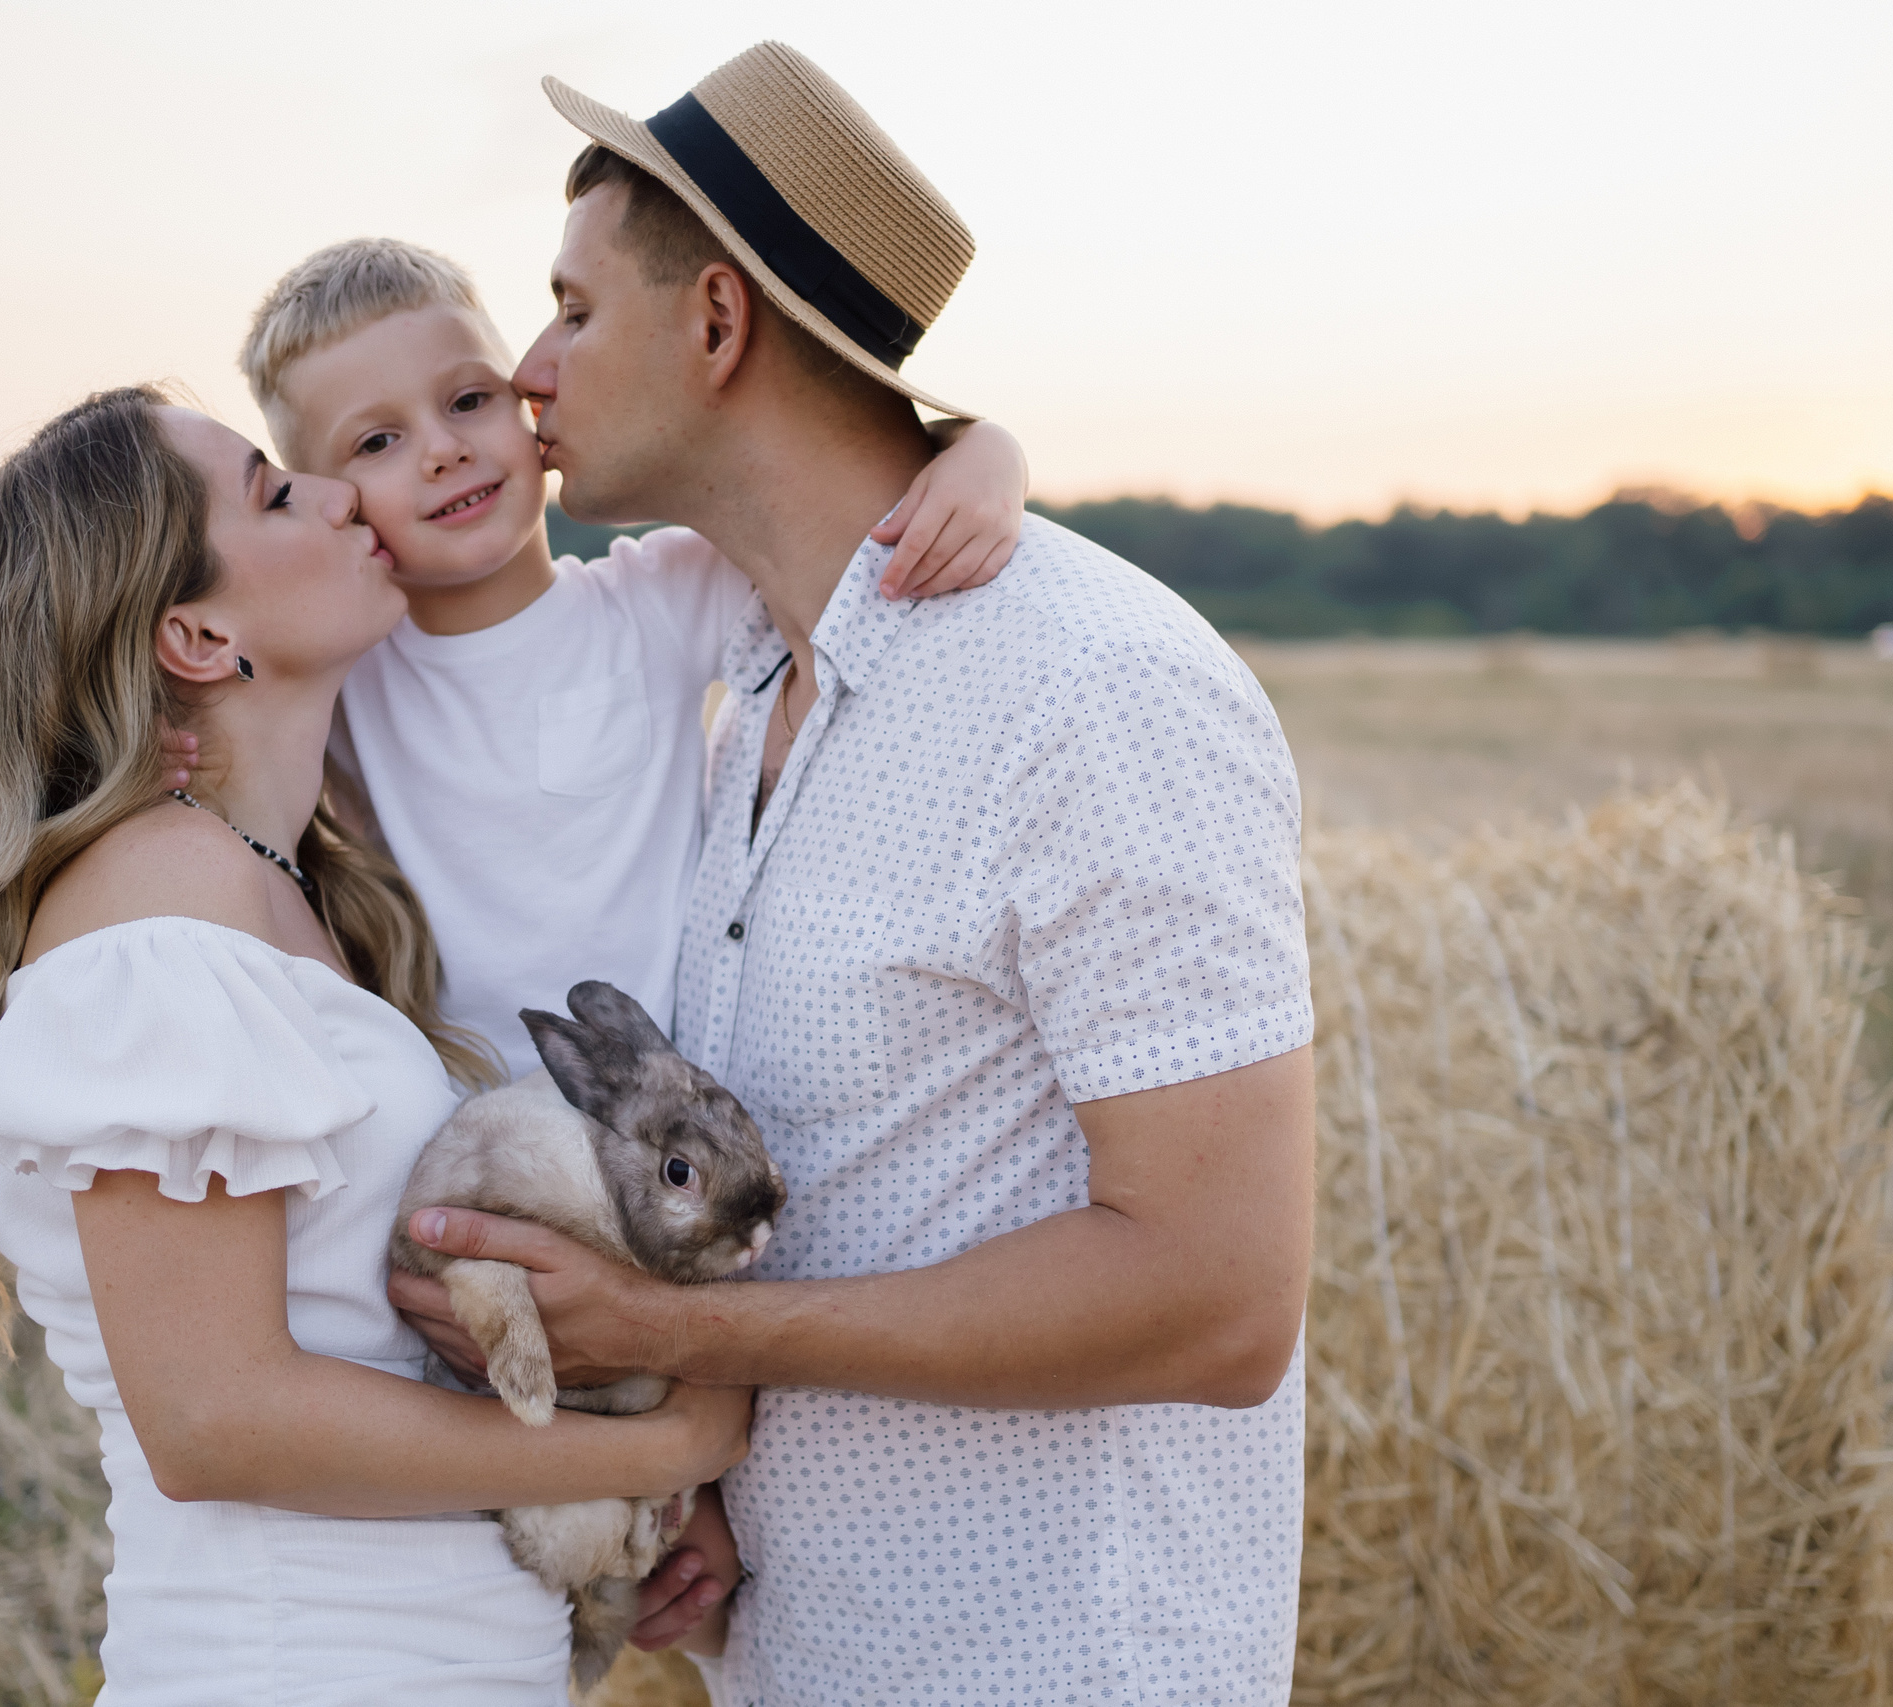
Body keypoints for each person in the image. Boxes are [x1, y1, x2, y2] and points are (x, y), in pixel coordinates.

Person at [391, 43, 1319, 1704]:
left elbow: (1218, 1296)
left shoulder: (1087, 690)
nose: (527, 367)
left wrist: (683, 1336)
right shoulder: (750, 683)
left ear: (720, 323)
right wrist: (732, 1484)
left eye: (573, 309)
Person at [0, 385, 752, 1705]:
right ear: (198, 632)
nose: (337, 493)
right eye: (274, 490)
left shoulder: (270, 891)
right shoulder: (156, 915)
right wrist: (661, 1437)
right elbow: (218, 1417)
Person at [220, 236, 1029, 1072]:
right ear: (328, 497)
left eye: (467, 400)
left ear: (527, 400)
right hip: (467, 1125)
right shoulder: (348, 683)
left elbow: (837, 509)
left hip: (675, 1118)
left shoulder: (655, 599)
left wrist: (985, 451)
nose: (442, 449)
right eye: (376, 443)